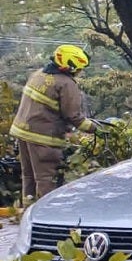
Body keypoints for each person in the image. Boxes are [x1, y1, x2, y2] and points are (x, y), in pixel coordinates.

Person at [9, 44, 97, 203]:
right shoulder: (66, 83)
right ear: (70, 66)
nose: (80, 72)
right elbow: (73, 115)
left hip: (22, 132)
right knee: (46, 178)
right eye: (79, 68)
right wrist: (93, 128)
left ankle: (27, 211)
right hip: (43, 138)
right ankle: (45, 216)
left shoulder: (38, 75)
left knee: (28, 176)